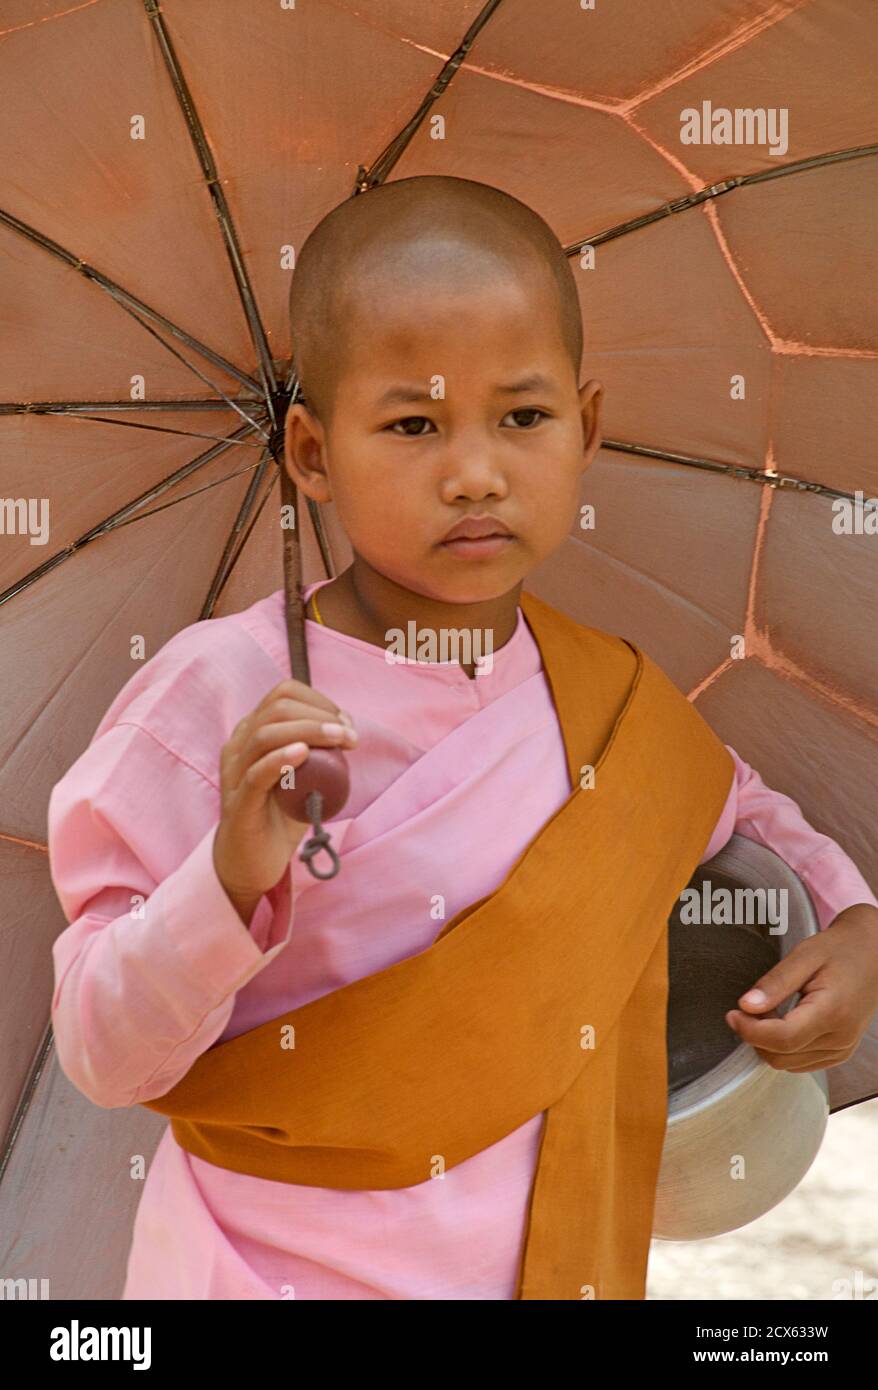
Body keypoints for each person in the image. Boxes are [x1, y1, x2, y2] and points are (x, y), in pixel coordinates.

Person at [47, 175, 878, 1301]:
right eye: (411, 424)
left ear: (585, 429)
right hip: (256, 1274)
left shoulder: (604, 698)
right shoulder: (215, 698)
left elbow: (729, 813)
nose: (475, 471)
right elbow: (103, 1051)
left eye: (521, 417)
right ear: (310, 453)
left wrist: (849, 923)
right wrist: (227, 876)